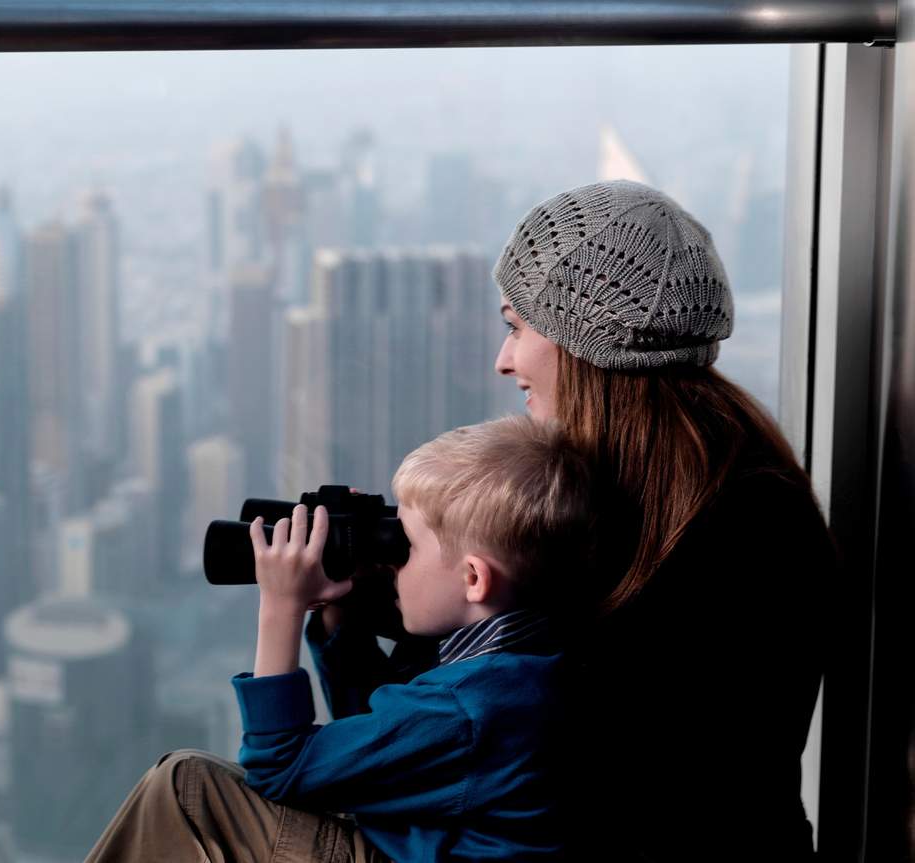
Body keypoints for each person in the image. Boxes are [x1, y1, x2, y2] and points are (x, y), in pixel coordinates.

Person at [485, 178, 836, 860]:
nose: (505, 359)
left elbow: (545, 770)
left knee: (205, 789)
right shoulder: (732, 490)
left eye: (515, 325)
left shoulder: (723, 534)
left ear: (579, 337)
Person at [85, 414, 598, 862]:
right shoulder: (522, 659)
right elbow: (375, 743)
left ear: (472, 579)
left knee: (187, 786)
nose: (391, 561)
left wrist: (281, 607)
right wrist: (340, 614)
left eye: (407, 546)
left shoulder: (470, 706)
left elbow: (280, 768)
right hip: (409, 844)